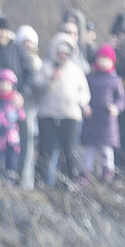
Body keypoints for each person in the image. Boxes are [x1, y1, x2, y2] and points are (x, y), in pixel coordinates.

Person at [33, 32, 90, 186]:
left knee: (69, 150)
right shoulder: (45, 68)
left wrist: (82, 103)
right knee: (45, 150)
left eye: (66, 53)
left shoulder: (76, 70)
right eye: (60, 53)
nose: (63, 56)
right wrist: (50, 79)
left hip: (70, 115)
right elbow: (36, 87)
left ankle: (69, 181)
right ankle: (41, 181)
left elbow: (84, 91)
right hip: (47, 115)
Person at [80, 45, 125, 184]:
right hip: (91, 120)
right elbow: (82, 94)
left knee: (106, 150)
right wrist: (85, 106)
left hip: (108, 122)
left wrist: (116, 108)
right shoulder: (90, 77)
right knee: (89, 150)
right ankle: (85, 174)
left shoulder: (115, 80)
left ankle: (107, 172)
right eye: (101, 59)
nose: (103, 62)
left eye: (106, 59)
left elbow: (122, 99)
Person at [16, 25, 42, 190]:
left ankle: (27, 181)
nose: (27, 44)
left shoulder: (37, 62)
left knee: (29, 145)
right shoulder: (16, 59)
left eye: (30, 41)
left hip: (32, 108)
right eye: (24, 41)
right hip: (19, 106)